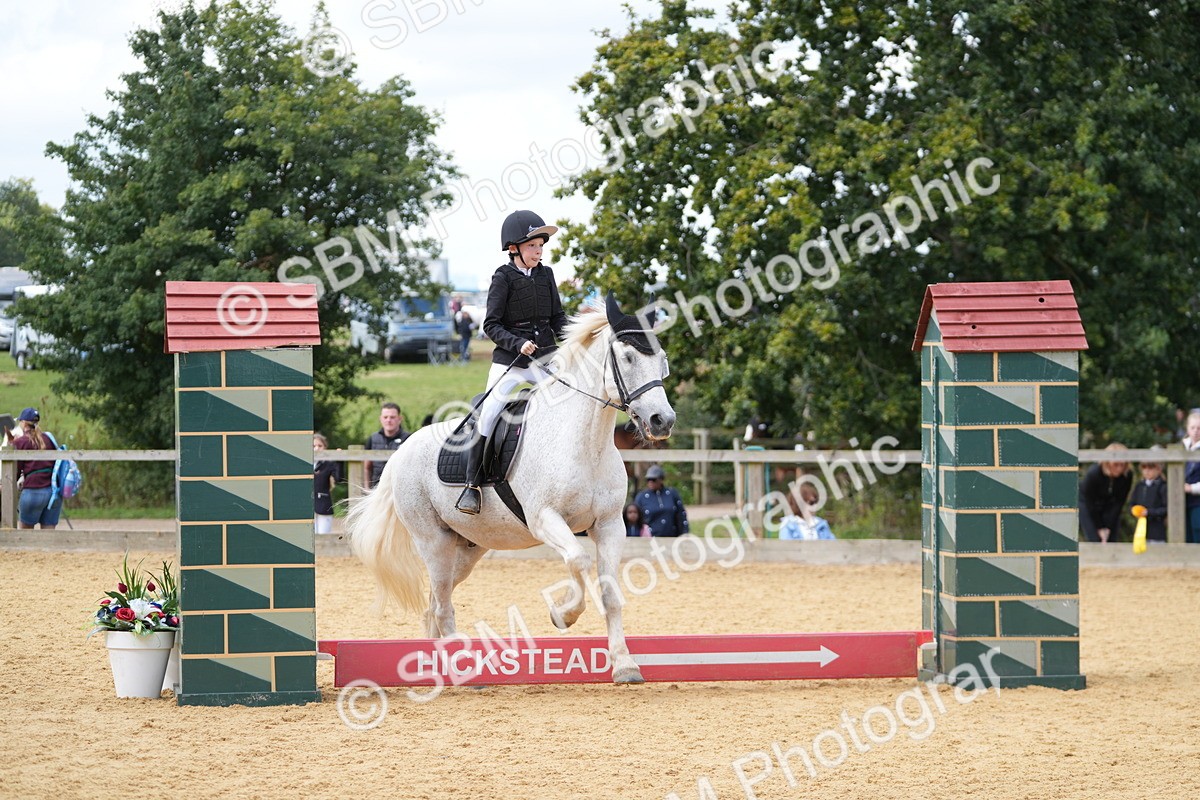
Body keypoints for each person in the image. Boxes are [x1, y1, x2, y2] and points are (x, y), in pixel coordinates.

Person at [456, 209, 567, 515]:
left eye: (541, 245)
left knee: (568, 403)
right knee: (489, 412)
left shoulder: (546, 275)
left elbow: (557, 318)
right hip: (513, 361)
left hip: (545, 359)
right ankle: (472, 485)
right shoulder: (502, 278)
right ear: (514, 247)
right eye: (533, 245)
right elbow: (490, 325)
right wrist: (518, 343)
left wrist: (574, 340)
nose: (539, 251)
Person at [5, 407, 62, 530]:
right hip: (52, 493)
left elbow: (15, 470)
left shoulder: (20, 442)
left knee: (25, 537)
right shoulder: (48, 439)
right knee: (48, 536)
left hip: (32, 492)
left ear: (23, 423)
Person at [1079, 443, 1132, 543]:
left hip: (1110, 505)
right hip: (1088, 505)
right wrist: (1100, 527)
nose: (1119, 468)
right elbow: (1090, 502)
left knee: (1111, 538)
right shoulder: (1094, 474)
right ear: (1107, 463)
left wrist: (1108, 527)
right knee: (1095, 539)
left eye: (1122, 464)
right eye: (1115, 464)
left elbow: (1119, 502)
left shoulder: (1127, 475)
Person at [634, 464, 690, 537]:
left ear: (661, 480)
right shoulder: (641, 497)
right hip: (650, 538)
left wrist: (684, 532)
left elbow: (681, 514)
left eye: (653, 479)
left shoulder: (672, 494)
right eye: (648, 479)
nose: (650, 482)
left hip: (671, 536)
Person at [364, 402, 408, 490]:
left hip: (400, 489)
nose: (388, 420)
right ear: (380, 419)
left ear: (399, 419)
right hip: (376, 489)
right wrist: (366, 489)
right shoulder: (373, 439)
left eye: (392, 417)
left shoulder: (408, 439)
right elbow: (366, 468)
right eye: (385, 417)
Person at [1129, 449, 1167, 543]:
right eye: (1144, 468)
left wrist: (1148, 512)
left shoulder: (1163, 486)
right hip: (1140, 531)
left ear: (1159, 469)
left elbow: (1166, 508)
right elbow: (1132, 503)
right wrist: (1134, 511)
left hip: (1157, 531)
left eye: (1150, 468)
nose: (1146, 471)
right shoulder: (1139, 486)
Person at [313, 433, 340, 535]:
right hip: (307, 506)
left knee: (324, 536)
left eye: (320, 446)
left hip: (323, 505)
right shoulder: (304, 463)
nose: (316, 449)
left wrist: (339, 461)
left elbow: (338, 479)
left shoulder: (328, 464)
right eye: (313, 446)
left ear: (325, 448)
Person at [1182, 411, 1200, 543]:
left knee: (1197, 532)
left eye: (1199, 428)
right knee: (1184, 534)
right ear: (1187, 428)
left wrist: (1192, 488)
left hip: (1197, 501)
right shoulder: (1182, 447)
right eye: (1193, 427)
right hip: (1182, 501)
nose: (1196, 431)